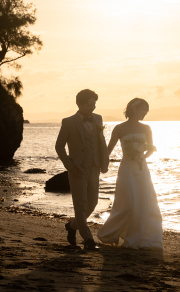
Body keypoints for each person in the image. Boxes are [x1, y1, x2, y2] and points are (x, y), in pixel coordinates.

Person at [97, 97, 163, 256]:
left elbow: (151, 148)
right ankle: (114, 234)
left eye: (147, 111)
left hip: (141, 170)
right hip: (126, 169)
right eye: (143, 110)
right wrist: (102, 165)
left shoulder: (146, 128)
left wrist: (143, 157)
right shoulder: (119, 128)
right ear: (134, 109)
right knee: (127, 203)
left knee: (145, 203)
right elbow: (109, 149)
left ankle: (144, 239)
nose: (145, 113)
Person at [55, 89, 109, 250]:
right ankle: (88, 239)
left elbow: (101, 142)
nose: (93, 107)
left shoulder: (98, 119)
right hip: (77, 169)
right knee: (81, 205)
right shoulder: (68, 122)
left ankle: (72, 227)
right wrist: (70, 166)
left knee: (93, 203)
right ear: (79, 104)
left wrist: (104, 162)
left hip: (94, 167)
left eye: (94, 104)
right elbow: (59, 146)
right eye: (89, 105)